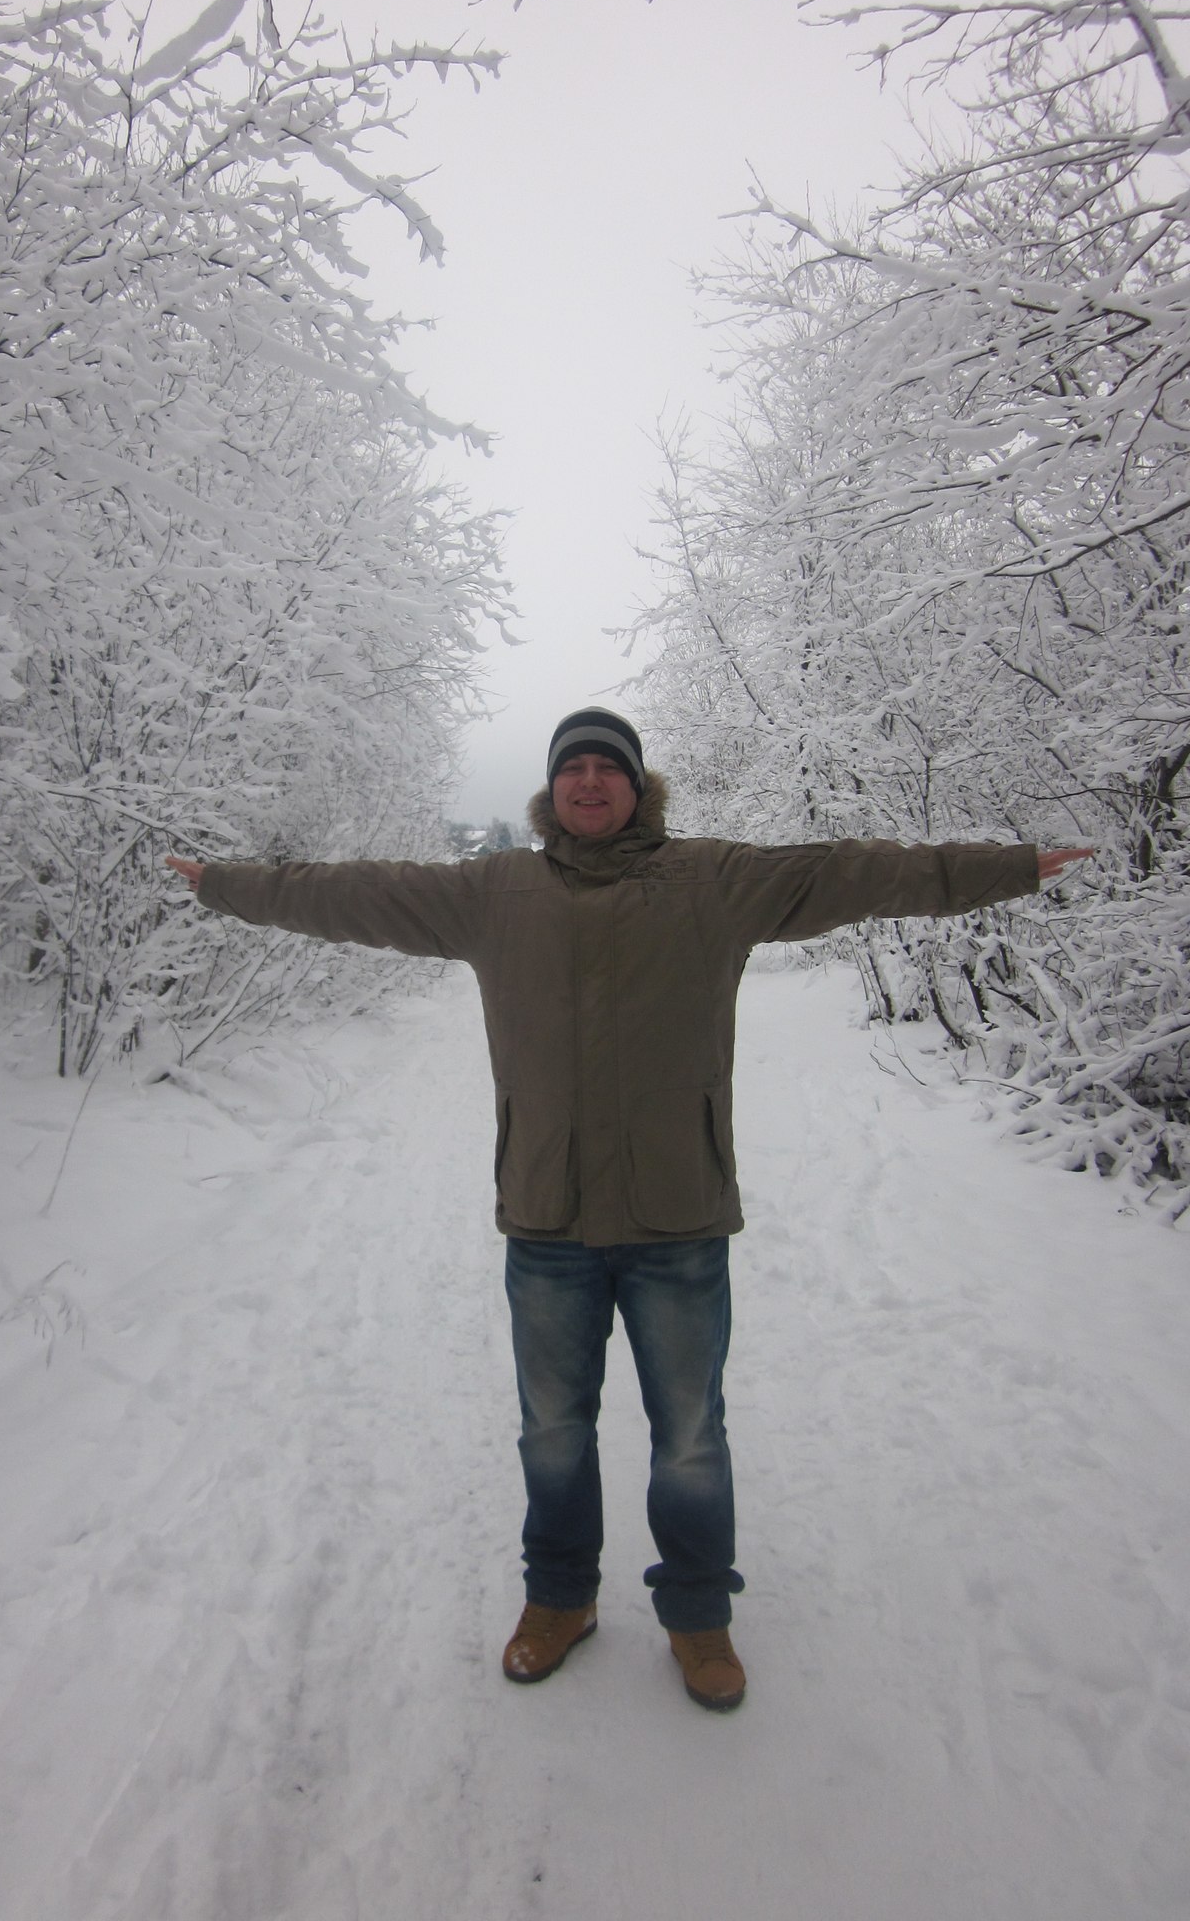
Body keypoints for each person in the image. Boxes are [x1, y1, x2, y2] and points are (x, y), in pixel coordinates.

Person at [165, 707, 1092, 1712]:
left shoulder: (713, 880)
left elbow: (852, 873)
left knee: (690, 1433)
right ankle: (559, 1598)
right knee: (552, 1430)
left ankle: (698, 1613)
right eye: (574, 767)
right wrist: (226, 884)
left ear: (639, 786)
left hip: (675, 1215)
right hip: (548, 1216)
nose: (591, 781)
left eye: (610, 766)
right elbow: (351, 892)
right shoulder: (493, 893)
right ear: (550, 789)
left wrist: (1007, 866)